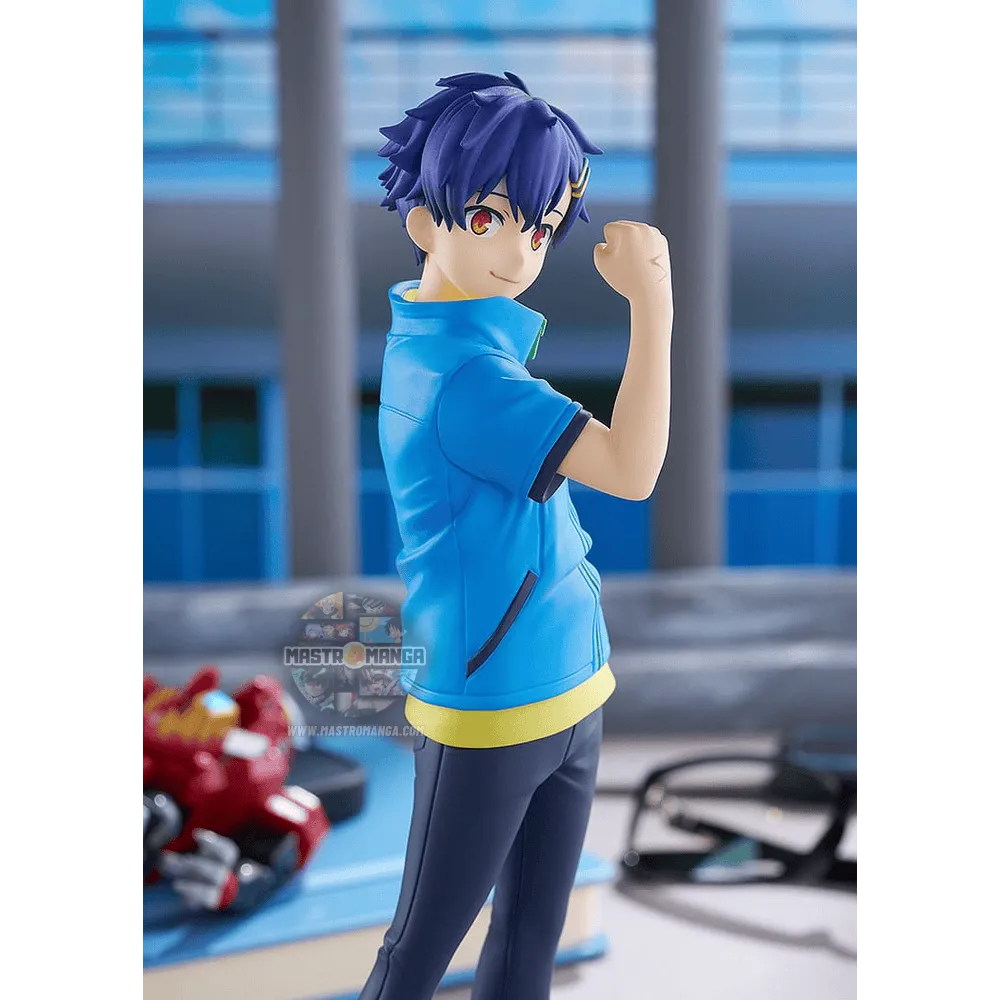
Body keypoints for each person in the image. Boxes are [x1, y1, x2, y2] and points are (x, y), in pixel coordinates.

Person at [359, 72, 673, 1000]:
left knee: (529, 944)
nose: (521, 252)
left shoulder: (459, 349)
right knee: (417, 955)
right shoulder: (468, 380)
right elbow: (633, 471)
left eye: (542, 228)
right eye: (491, 217)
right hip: (493, 706)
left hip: (569, 681)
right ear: (426, 221)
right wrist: (653, 306)